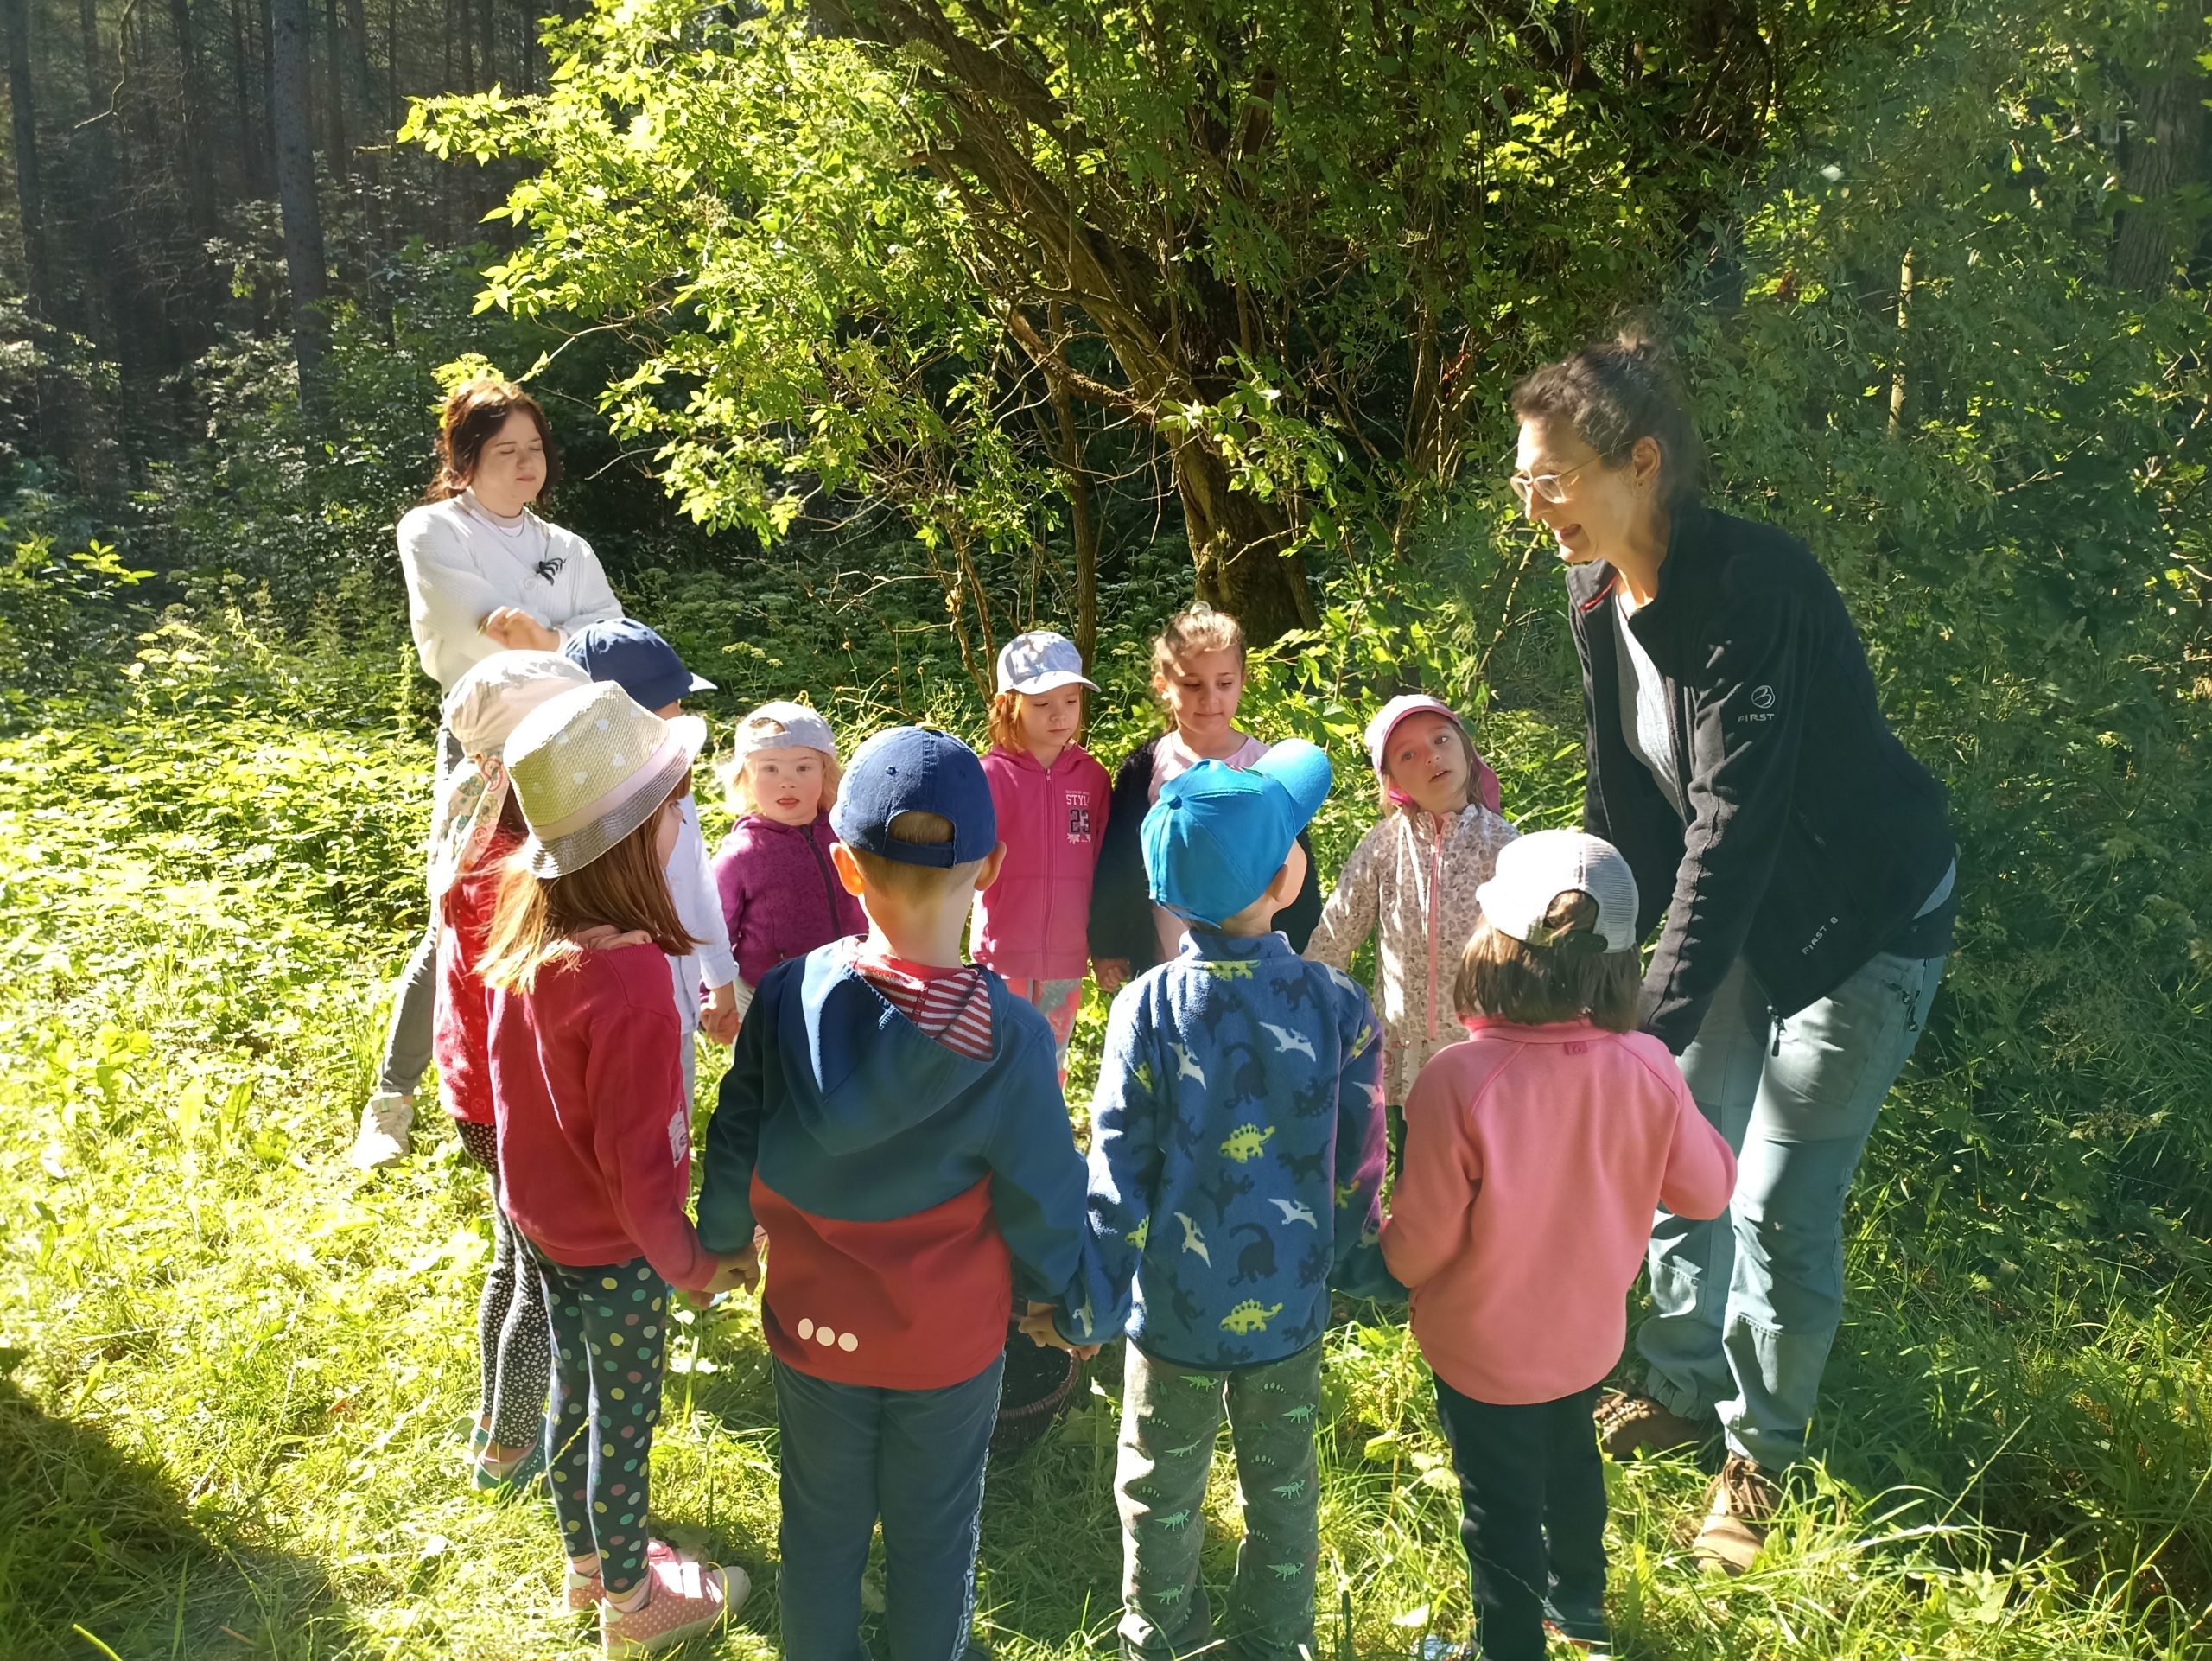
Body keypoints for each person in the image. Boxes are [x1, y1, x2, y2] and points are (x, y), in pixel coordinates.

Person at [1510, 334, 1957, 1569]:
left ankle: (1760, 1448)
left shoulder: (1759, 589)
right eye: (1522, 480)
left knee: (1772, 1200)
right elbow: (1633, 803)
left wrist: (1641, 1035)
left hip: (1860, 920)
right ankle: (1676, 1376)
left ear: (1639, 464)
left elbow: (1735, 822)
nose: (1533, 503)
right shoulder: (1595, 581)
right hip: (1742, 899)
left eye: (1551, 477)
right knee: (1680, 1144)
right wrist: (1595, 944)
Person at [696, 727, 1117, 1661]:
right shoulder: (1008, 1035)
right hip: (950, 1343)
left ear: (843, 865)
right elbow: (1045, 1192)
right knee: (934, 1533)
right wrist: (1059, 1293)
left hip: (814, 1327)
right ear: (994, 865)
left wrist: (721, 1238)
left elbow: (736, 1128)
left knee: (818, 1524)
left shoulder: (789, 992)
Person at [1381, 832, 1736, 1661]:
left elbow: (1419, 1247)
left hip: (1480, 1350)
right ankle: (1580, 1610)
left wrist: (1380, 1262)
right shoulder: (1647, 1065)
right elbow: (1708, 1192)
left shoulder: (1457, 1079)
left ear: (1491, 948)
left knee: (1498, 1507)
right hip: (1585, 1344)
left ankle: (1507, 1646)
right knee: (1574, 1472)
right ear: (1618, 964)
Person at [1076, 739, 1389, 1661]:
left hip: (1170, 1311)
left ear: (1165, 898)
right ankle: (1277, 1637)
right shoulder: (1337, 1003)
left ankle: (1159, 1637)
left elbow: (1117, 1170)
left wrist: (1092, 1297)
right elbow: (1358, 1161)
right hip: (1287, 1308)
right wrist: (1361, 1261)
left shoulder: (1145, 1006)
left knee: (1160, 1486)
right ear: (1288, 875)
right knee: (1283, 1484)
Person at [479, 680, 753, 1654]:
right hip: (616, 1246)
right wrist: (691, 1263)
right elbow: (640, 1173)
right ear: (635, 838)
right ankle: (636, 1604)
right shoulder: (634, 982)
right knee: (621, 1424)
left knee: (574, 1395)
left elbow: (520, 1111)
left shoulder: (529, 939)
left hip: (544, 1226)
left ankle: (583, 1567)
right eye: (674, 805)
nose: (685, 821)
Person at [352, 376, 625, 1169]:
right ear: (463, 459)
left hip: (573, 739)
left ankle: (542, 1087)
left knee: (568, 907)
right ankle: (393, 1099)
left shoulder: (564, 546)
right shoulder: (433, 529)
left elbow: (608, 635)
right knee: (457, 920)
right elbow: (475, 629)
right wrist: (550, 634)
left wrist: (544, 634)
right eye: (504, 451)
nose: (524, 464)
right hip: (482, 746)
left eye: (533, 448)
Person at [426, 648, 592, 1492]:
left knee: (512, 1255)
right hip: (520, 1100)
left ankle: (497, 1415)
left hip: (482, 1093)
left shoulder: (483, 816)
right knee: (545, 1273)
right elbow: (538, 994)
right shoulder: (513, 858)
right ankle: (511, 1445)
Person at [1305, 693, 1519, 1145]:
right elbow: (1335, 933)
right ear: (1392, 780)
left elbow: (1534, 941)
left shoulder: (1503, 843)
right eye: (1409, 754)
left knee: (1489, 1168)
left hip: (1487, 1047)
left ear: (1465, 749)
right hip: (1409, 1057)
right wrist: (1311, 1014)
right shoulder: (1384, 844)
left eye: (1441, 740)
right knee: (1418, 1167)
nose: (1431, 757)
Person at [1089, 605, 1325, 991]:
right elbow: (1118, 861)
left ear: (1243, 680)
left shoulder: (1267, 766)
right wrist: (1109, 942)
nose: (1210, 699)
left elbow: (1298, 863)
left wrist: (1305, 948)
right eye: (1193, 685)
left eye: (1225, 683)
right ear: (1164, 684)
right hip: (1168, 966)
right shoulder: (1145, 769)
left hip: (1259, 967)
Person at [561, 619, 741, 1091]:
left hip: (676, 1006)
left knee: (669, 1121)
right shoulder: (577, 810)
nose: (680, 714)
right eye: (668, 707)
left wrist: (719, 977)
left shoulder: (673, 783)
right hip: (617, 1007)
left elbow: (696, 879)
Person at [972, 629, 1113, 1078]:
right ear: (1007, 705)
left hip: (1066, 957)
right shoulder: (988, 776)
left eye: (1070, 701)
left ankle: (1044, 1143)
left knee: (1049, 1067)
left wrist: (1105, 945)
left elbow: (1103, 866)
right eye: (1042, 704)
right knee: (997, 1067)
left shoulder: (1092, 778)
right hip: (1003, 955)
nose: (1059, 715)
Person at [709, 701, 868, 1025]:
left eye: (803, 768)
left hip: (847, 982)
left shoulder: (845, 832)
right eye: (770, 768)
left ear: (826, 772)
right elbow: (716, 928)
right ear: (745, 776)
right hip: (768, 996)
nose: (787, 781)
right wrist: (713, 992)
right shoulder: (742, 853)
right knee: (770, 1073)